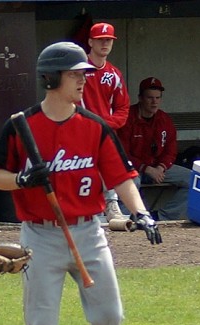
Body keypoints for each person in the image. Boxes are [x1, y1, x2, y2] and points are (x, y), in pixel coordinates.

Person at [0, 41, 162, 325]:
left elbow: (121, 177)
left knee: (110, 314)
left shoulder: (94, 126)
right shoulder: (21, 126)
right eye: (75, 74)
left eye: (84, 74)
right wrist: (23, 180)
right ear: (51, 79)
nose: (84, 80)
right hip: (40, 237)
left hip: (88, 232)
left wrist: (141, 213)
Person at [117, 77, 193, 220]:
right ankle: (132, 219)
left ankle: (161, 217)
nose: (154, 102)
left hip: (158, 168)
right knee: (130, 182)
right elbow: (122, 153)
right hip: (134, 168)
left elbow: (171, 150)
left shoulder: (164, 119)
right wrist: (145, 168)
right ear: (140, 98)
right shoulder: (127, 118)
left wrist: (161, 167)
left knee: (194, 180)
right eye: (150, 98)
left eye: (157, 98)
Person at [80, 22, 130, 222]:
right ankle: (87, 210)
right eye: (100, 40)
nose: (105, 44)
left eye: (108, 40)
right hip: (80, 130)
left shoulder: (114, 74)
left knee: (111, 167)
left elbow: (123, 108)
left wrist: (106, 125)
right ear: (90, 42)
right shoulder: (78, 70)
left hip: (105, 132)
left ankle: (111, 205)